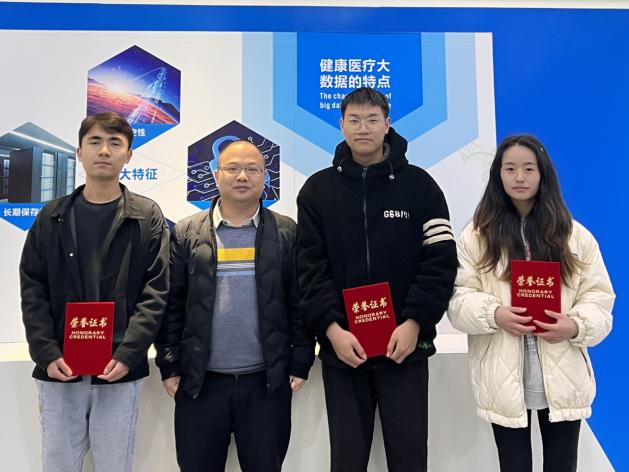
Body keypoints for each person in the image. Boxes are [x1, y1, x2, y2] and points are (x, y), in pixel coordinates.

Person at [296, 87, 458, 472]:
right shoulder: (317, 190)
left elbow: (440, 263)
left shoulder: (421, 186)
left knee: (409, 459)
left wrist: (414, 322)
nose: (363, 128)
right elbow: (308, 268)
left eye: (372, 119)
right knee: (347, 460)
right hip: (343, 351)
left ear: (387, 124)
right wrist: (332, 329)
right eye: (354, 120)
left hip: (405, 349)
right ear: (341, 125)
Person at [447, 134, 614, 472]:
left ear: (543, 174)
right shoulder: (477, 237)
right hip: (502, 379)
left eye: (528, 169)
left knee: (562, 465)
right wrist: (494, 314)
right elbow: (457, 299)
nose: (519, 177)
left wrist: (575, 325)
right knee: (514, 465)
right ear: (498, 175)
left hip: (563, 377)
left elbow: (599, 298)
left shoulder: (573, 236)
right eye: (510, 169)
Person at [20, 111, 169, 472]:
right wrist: (46, 352)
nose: (104, 150)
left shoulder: (146, 216)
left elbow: (156, 290)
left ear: (128, 155)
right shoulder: (51, 217)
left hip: (117, 368)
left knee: (115, 464)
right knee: (58, 464)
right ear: (79, 152)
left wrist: (130, 353)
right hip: (60, 367)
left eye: (115, 143)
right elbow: (32, 288)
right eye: (95, 142)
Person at [155, 140, 314, 472]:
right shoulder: (187, 232)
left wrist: (301, 360)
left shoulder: (286, 231)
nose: (242, 176)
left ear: (265, 177)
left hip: (265, 384)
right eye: (233, 169)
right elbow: (172, 304)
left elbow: (298, 301)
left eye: (252, 169)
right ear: (216, 175)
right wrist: (169, 365)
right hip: (200, 384)